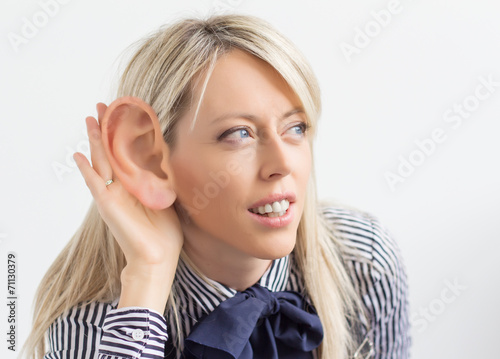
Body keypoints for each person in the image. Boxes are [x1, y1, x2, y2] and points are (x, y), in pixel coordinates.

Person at [22, 13, 410, 359]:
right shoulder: (93, 330)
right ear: (149, 159)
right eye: (238, 133)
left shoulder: (362, 263)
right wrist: (148, 277)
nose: (283, 164)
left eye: (296, 128)